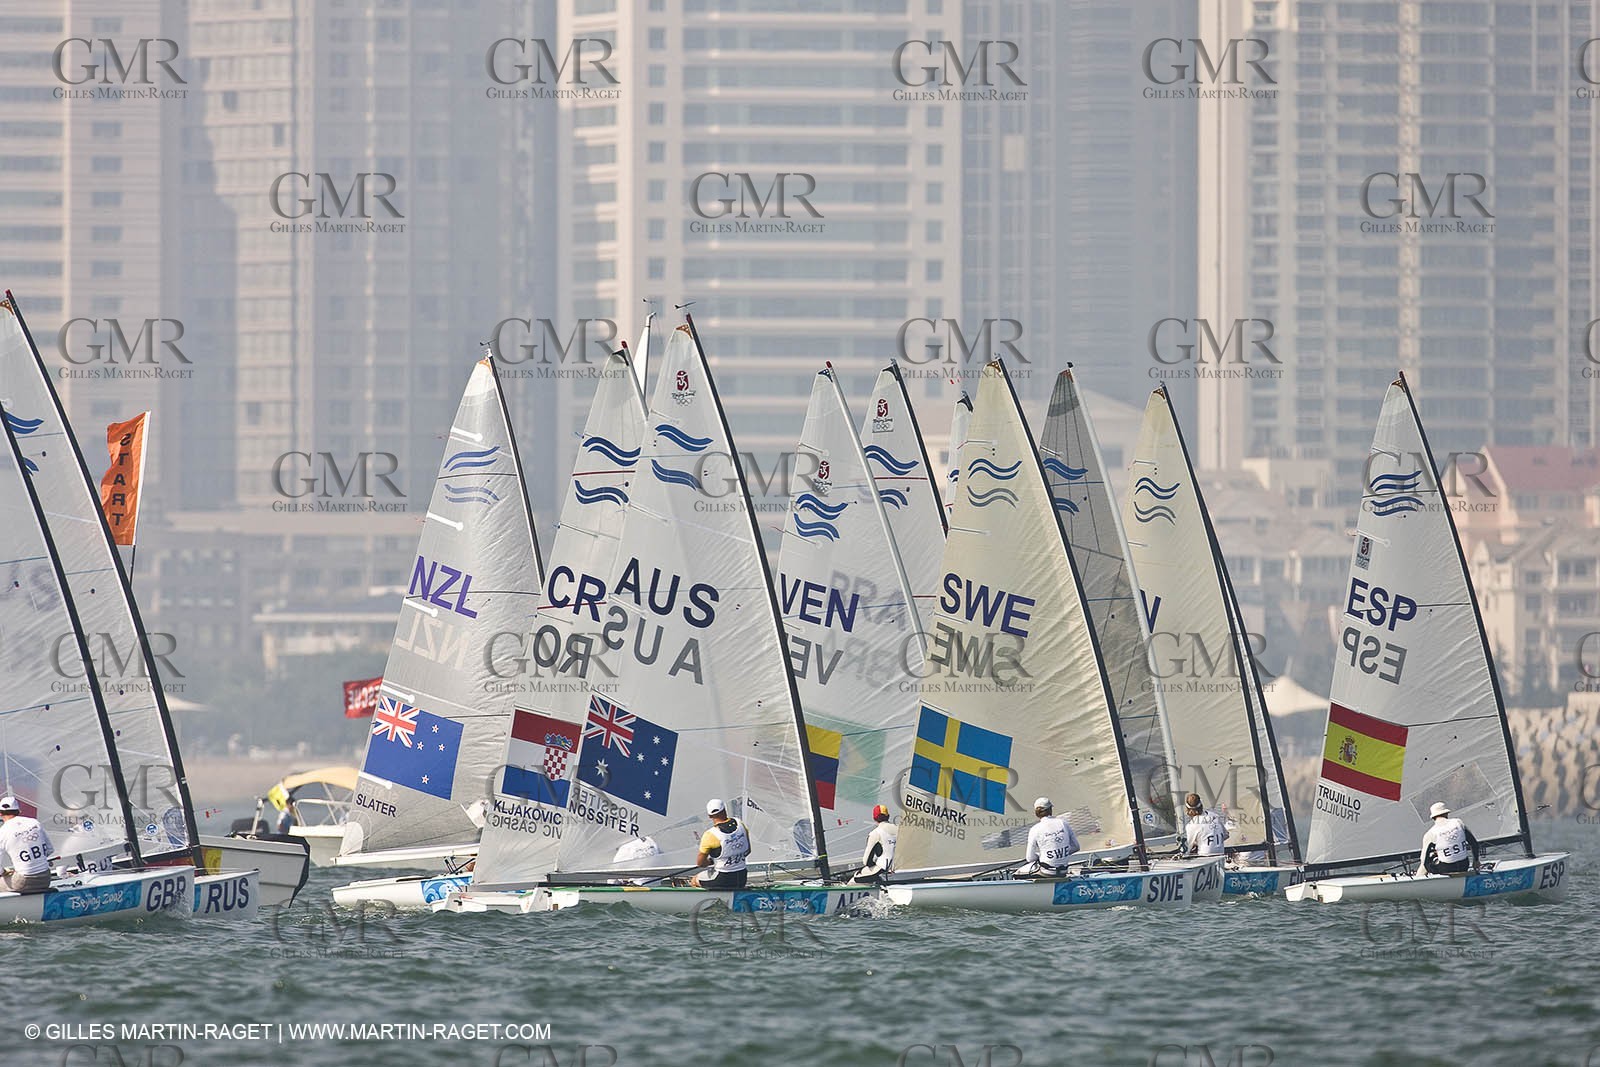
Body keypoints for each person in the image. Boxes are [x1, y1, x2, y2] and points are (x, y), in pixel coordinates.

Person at [0, 795, 53, 894]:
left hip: (23, 881)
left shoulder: (2, 832)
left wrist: (4, 872)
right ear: (19, 811)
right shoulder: (35, 822)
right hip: (46, 879)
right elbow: (50, 850)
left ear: (0, 813)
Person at [1015, 797, 1079, 878]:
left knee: (1016, 874)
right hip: (1063, 871)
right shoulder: (1063, 823)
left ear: (1036, 813)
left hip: (1048, 872)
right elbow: (1076, 847)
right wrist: (1060, 854)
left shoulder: (1035, 829)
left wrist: (1042, 856)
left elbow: (1030, 858)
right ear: (1050, 810)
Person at [695, 799, 750, 889]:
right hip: (741, 877)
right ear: (725, 810)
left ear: (709, 816)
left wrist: (711, 861)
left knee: (695, 880)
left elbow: (700, 863)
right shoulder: (741, 824)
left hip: (722, 879)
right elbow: (747, 851)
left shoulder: (710, 834)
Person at [1417, 802, 1479, 875]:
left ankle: (1418, 880)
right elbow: (1474, 843)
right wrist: (1476, 861)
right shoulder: (1458, 822)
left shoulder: (1430, 833)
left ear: (1433, 817)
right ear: (1446, 814)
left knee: (1427, 860)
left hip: (1446, 869)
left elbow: (1423, 859)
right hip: (1464, 865)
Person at [1182, 793, 1229, 858]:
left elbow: (1188, 848)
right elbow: (1226, 835)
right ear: (1201, 804)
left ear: (1187, 808)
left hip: (1205, 859)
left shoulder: (1191, 825)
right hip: (1221, 857)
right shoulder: (1215, 816)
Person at [859, 805, 896, 884]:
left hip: (884, 871)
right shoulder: (901, 830)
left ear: (874, 818)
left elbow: (866, 861)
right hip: (902, 871)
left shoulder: (875, 833)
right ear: (888, 816)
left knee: (857, 876)